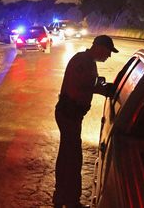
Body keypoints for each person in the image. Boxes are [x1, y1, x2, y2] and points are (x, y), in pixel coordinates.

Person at [53, 35, 118, 208]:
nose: (108, 56)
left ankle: (61, 197)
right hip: (69, 113)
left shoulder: (87, 61)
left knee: (67, 156)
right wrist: (103, 89)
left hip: (71, 113)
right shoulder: (83, 60)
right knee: (73, 159)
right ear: (99, 47)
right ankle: (70, 201)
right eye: (108, 52)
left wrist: (100, 86)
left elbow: (87, 83)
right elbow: (82, 84)